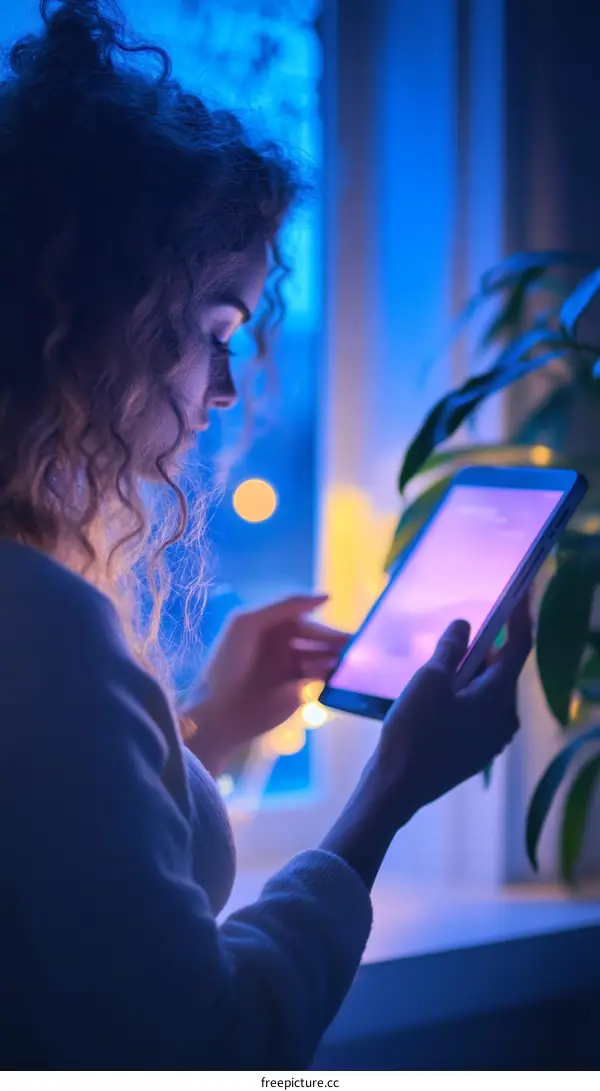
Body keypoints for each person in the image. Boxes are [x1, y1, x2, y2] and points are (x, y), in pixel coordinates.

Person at [0, 0, 532, 1071]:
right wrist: (389, 792)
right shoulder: (42, 626)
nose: (228, 386)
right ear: (90, 313)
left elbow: (61, 879)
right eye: (213, 331)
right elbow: (199, 1044)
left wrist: (213, 728)